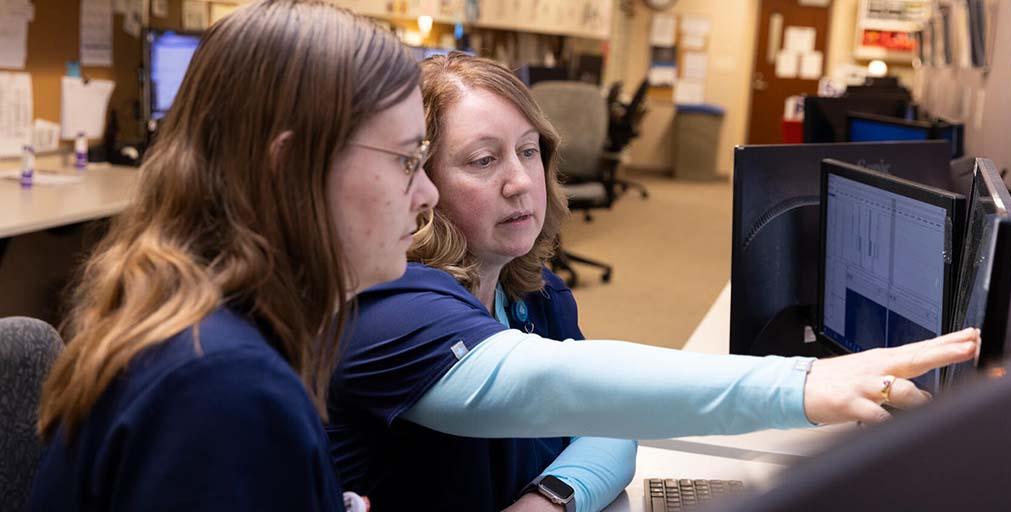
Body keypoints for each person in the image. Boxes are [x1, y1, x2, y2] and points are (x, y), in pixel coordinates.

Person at [327, 52, 978, 512]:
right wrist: (808, 384)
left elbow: (607, 421)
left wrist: (551, 499)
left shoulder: (533, 295)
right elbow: (556, 386)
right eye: (482, 160)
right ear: (419, 182)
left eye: (529, 150)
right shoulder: (386, 303)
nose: (521, 181)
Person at [30, 2, 437, 511]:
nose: (428, 193)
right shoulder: (225, 392)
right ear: (287, 169)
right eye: (406, 159)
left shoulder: (199, 333)